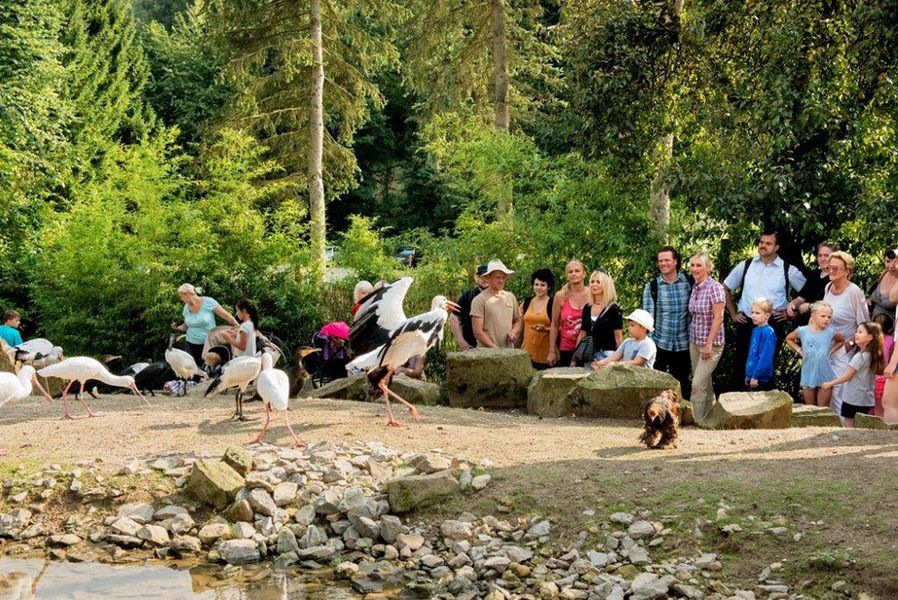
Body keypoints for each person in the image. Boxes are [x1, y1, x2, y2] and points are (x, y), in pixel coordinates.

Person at [723, 230, 806, 390]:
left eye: (768, 243)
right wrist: (733, 314)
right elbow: (725, 288)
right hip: (746, 323)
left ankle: (763, 410)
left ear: (776, 247)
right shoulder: (746, 265)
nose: (763, 246)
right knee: (741, 367)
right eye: (761, 242)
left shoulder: (787, 269)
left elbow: (807, 292)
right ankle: (738, 410)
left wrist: (791, 313)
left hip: (772, 326)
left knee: (764, 369)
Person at [822, 251, 869, 416]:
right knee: (824, 389)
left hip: (845, 349)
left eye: (836, 268)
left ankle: (844, 431)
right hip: (827, 347)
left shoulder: (854, 292)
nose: (831, 271)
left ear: (847, 271)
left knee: (839, 391)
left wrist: (849, 347)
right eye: (829, 268)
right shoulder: (828, 287)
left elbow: (864, 324)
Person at [642, 246, 693, 398]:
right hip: (660, 343)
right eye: (660, 261)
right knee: (657, 385)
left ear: (675, 261)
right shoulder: (652, 287)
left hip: (684, 344)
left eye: (667, 260)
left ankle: (684, 416)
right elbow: (648, 320)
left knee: (683, 384)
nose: (663, 263)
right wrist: (649, 346)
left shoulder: (689, 283)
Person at [687, 253, 726, 422]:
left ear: (708, 268)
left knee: (697, 384)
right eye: (693, 265)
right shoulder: (695, 287)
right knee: (704, 382)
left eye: (699, 265)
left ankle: (698, 421)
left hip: (711, 344)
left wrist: (709, 344)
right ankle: (711, 415)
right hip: (694, 341)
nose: (695, 269)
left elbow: (719, 317)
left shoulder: (714, 287)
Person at [822, 322, 884, 428]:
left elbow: (847, 376)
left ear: (870, 337)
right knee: (863, 427)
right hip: (866, 400)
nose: (856, 334)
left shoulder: (860, 357)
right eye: (856, 331)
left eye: (860, 332)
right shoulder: (873, 356)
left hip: (853, 399)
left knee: (849, 426)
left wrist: (830, 383)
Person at [785, 302, 842, 407]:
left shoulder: (831, 332)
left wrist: (830, 351)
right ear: (813, 315)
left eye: (829, 317)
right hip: (808, 375)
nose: (826, 319)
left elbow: (841, 340)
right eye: (823, 316)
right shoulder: (803, 331)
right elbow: (789, 338)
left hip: (825, 375)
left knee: (823, 410)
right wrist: (799, 351)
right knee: (810, 409)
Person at [171, 283, 239, 367]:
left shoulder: (208, 302)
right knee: (192, 372)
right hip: (190, 344)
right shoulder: (186, 307)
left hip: (208, 345)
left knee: (207, 372)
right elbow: (187, 326)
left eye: (181, 296)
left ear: (187, 294)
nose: (180, 298)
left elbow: (228, 317)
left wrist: (240, 329)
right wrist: (178, 327)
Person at [471, 259, 522, 348]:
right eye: (498, 277)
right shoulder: (479, 300)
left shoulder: (510, 297)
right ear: (488, 278)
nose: (501, 281)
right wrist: (496, 350)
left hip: (508, 353)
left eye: (503, 277)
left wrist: (514, 331)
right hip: (487, 355)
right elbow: (478, 332)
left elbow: (518, 320)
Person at [548, 260, 590, 366]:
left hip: (588, 348)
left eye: (577, 271)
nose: (574, 273)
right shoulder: (560, 296)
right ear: (567, 276)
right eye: (570, 272)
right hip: (567, 348)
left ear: (584, 274)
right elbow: (554, 325)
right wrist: (552, 351)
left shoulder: (592, 293)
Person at [577, 270, 623, 364]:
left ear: (606, 285)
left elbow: (618, 337)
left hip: (607, 356)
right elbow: (582, 334)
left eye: (598, 282)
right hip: (589, 355)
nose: (594, 285)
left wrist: (621, 359)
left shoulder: (614, 309)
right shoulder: (587, 307)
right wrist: (575, 358)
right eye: (592, 282)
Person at [787, 241, 838, 323]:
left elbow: (834, 306)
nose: (822, 259)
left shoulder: (837, 278)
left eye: (826, 255)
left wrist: (809, 307)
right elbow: (801, 298)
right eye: (820, 255)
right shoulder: (814, 275)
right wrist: (793, 304)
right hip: (806, 325)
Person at [592, 309, 657, 370]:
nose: (629, 328)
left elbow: (637, 362)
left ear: (644, 328)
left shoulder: (647, 344)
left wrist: (614, 364)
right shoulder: (627, 342)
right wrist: (601, 363)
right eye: (629, 325)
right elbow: (615, 356)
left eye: (632, 325)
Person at [520, 268, 555, 369]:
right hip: (526, 354)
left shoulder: (553, 304)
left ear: (549, 287)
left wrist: (546, 329)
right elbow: (519, 323)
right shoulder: (526, 302)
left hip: (547, 356)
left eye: (542, 285)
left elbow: (561, 327)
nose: (539, 288)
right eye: (536, 284)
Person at [450, 264, 489, 351]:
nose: (484, 279)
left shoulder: (499, 296)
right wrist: (462, 343)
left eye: (487, 276)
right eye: (481, 276)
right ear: (477, 278)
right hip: (471, 348)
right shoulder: (468, 296)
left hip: (494, 346)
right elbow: (453, 317)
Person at [745, 298, 777, 390]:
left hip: (761, 378)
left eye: (757, 313)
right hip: (752, 376)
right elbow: (752, 354)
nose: (753, 316)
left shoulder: (768, 332)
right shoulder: (755, 330)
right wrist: (749, 374)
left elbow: (765, 357)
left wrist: (756, 376)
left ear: (767, 316)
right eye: (752, 312)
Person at [866, 247, 898, 320]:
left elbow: (893, 300)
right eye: (888, 261)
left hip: (889, 328)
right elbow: (877, 296)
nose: (891, 266)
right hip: (872, 323)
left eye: (895, 262)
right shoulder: (885, 273)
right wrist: (870, 300)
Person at [872, 313, 893, 417]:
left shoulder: (869, 339)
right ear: (890, 328)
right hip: (884, 378)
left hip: (871, 377)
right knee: (880, 409)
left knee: (871, 408)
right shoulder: (891, 340)